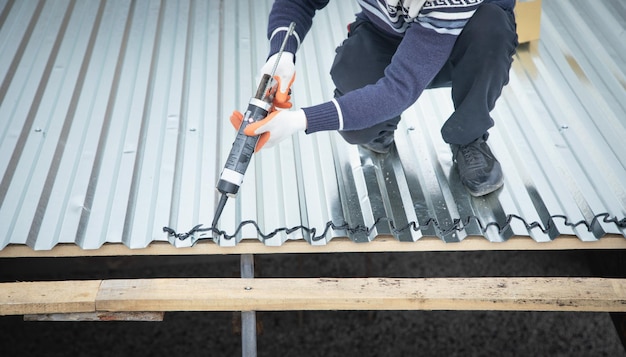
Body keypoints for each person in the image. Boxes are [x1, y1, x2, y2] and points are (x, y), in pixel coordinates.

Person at [236, 0, 518, 197]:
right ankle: (375, 122)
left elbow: (399, 88)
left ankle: (468, 137)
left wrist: (300, 120)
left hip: (461, 38)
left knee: (491, 29)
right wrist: (282, 53)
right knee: (360, 126)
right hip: (387, 34)